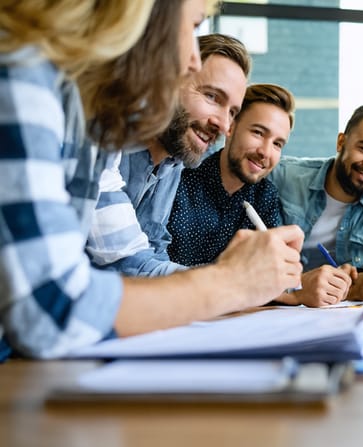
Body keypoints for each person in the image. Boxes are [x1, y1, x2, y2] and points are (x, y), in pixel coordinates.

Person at [0, 0, 304, 361]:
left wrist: (244, 282)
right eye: (193, 27)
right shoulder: (22, 72)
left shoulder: (96, 127)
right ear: (141, 11)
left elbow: (133, 257)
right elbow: (52, 309)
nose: (192, 60)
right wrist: (231, 282)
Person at [86, 33, 253, 276]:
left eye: (232, 113)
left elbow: (154, 250)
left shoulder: (172, 163)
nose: (224, 126)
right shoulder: (109, 139)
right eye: (212, 97)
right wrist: (231, 281)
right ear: (168, 80)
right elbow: (129, 264)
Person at [270, 105, 363, 302]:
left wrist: (346, 289)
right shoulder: (282, 176)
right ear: (341, 142)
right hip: (278, 305)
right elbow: (256, 259)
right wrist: (303, 288)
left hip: (340, 314)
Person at [167, 83, 295, 266]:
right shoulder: (178, 181)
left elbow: (271, 272)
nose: (265, 152)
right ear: (230, 127)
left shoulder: (265, 196)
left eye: (277, 144)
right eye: (258, 133)